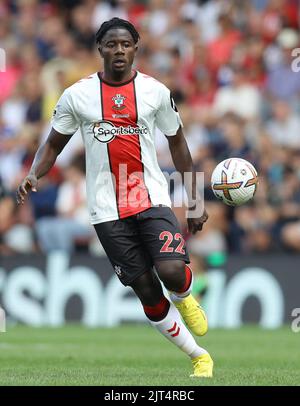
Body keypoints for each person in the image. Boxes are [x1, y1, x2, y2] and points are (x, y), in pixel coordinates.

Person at [16, 17, 213, 378]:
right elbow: (53, 144)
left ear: (136, 47)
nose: (118, 50)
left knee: (171, 271)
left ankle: (185, 297)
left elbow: (179, 145)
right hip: (106, 209)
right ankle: (199, 356)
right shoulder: (77, 95)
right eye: (111, 44)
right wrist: (33, 173)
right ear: (100, 49)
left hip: (151, 195)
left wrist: (196, 202)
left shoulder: (155, 92)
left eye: (125, 44)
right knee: (148, 293)